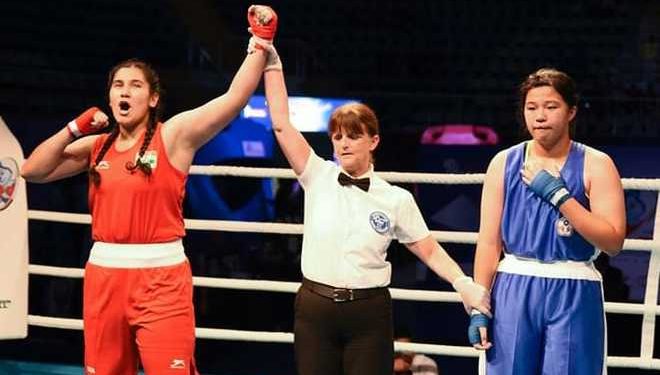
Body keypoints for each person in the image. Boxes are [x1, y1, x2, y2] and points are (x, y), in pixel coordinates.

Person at [20, 6, 275, 374]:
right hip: (105, 278)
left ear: (153, 99)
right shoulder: (97, 147)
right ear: (109, 97)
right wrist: (74, 128)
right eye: (118, 85)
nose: (125, 91)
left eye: (135, 84)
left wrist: (260, 41)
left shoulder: (173, 137)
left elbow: (232, 100)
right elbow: (32, 170)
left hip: (162, 280)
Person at [253, 7, 491, 375]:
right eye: (337, 137)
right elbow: (282, 125)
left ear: (373, 141)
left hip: (369, 313)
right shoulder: (316, 175)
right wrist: (270, 55)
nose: (343, 144)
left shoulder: (396, 199)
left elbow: (427, 247)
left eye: (353, 136)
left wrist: (463, 283)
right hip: (316, 307)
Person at [472, 68, 626, 375]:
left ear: (571, 111)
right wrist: (479, 305)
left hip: (575, 287)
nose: (540, 115)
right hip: (514, 285)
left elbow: (613, 241)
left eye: (551, 106)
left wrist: (560, 196)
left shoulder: (597, 164)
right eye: (532, 108)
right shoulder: (504, 163)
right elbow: (489, 242)